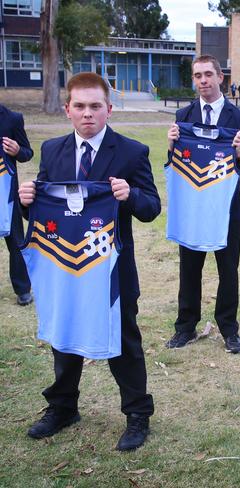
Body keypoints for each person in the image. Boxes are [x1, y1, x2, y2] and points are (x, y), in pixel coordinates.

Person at [18, 72, 160, 450]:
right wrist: (25, 200)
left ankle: (137, 414)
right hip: (65, 267)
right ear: (68, 110)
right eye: (79, 106)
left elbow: (151, 208)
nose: (87, 114)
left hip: (111, 269)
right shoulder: (52, 150)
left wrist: (130, 195)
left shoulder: (131, 152)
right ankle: (63, 407)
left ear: (109, 109)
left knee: (124, 341)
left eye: (95, 106)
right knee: (64, 337)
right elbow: (43, 214)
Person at [165, 55, 240, 353]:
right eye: (197, 75)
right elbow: (173, 164)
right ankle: (185, 327)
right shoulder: (183, 115)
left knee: (228, 270)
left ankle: (229, 328)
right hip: (192, 207)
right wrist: (170, 146)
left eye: (207, 75)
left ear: (220, 78)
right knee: (189, 268)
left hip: (225, 208)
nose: (202, 81)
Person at [0, 103, 34, 306]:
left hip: (6, 194)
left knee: (16, 242)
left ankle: (22, 289)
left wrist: (17, 150)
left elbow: (27, 153)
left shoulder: (12, 118)